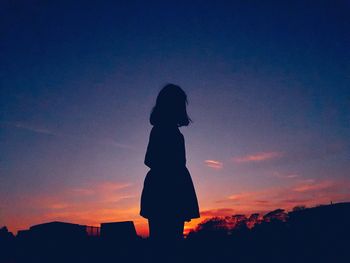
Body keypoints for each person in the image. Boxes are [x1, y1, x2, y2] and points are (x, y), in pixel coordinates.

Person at [140, 84, 200, 241]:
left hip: (169, 189)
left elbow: (150, 159)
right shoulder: (162, 130)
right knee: (166, 242)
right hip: (167, 190)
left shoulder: (170, 131)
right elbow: (150, 159)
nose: (183, 108)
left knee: (167, 242)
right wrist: (171, 170)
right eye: (180, 104)